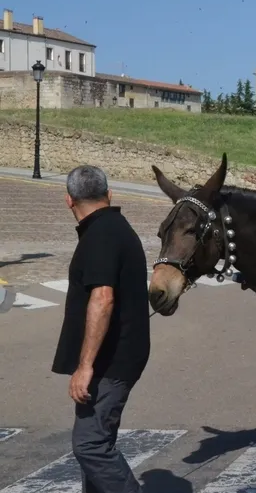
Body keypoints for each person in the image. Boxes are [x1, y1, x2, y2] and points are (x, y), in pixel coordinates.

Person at [51, 165, 151, 493]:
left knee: (91, 445)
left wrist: (85, 366)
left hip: (110, 361)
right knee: (96, 445)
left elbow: (103, 299)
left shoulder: (101, 234)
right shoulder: (113, 227)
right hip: (117, 356)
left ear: (69, 201)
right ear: (109, 194)